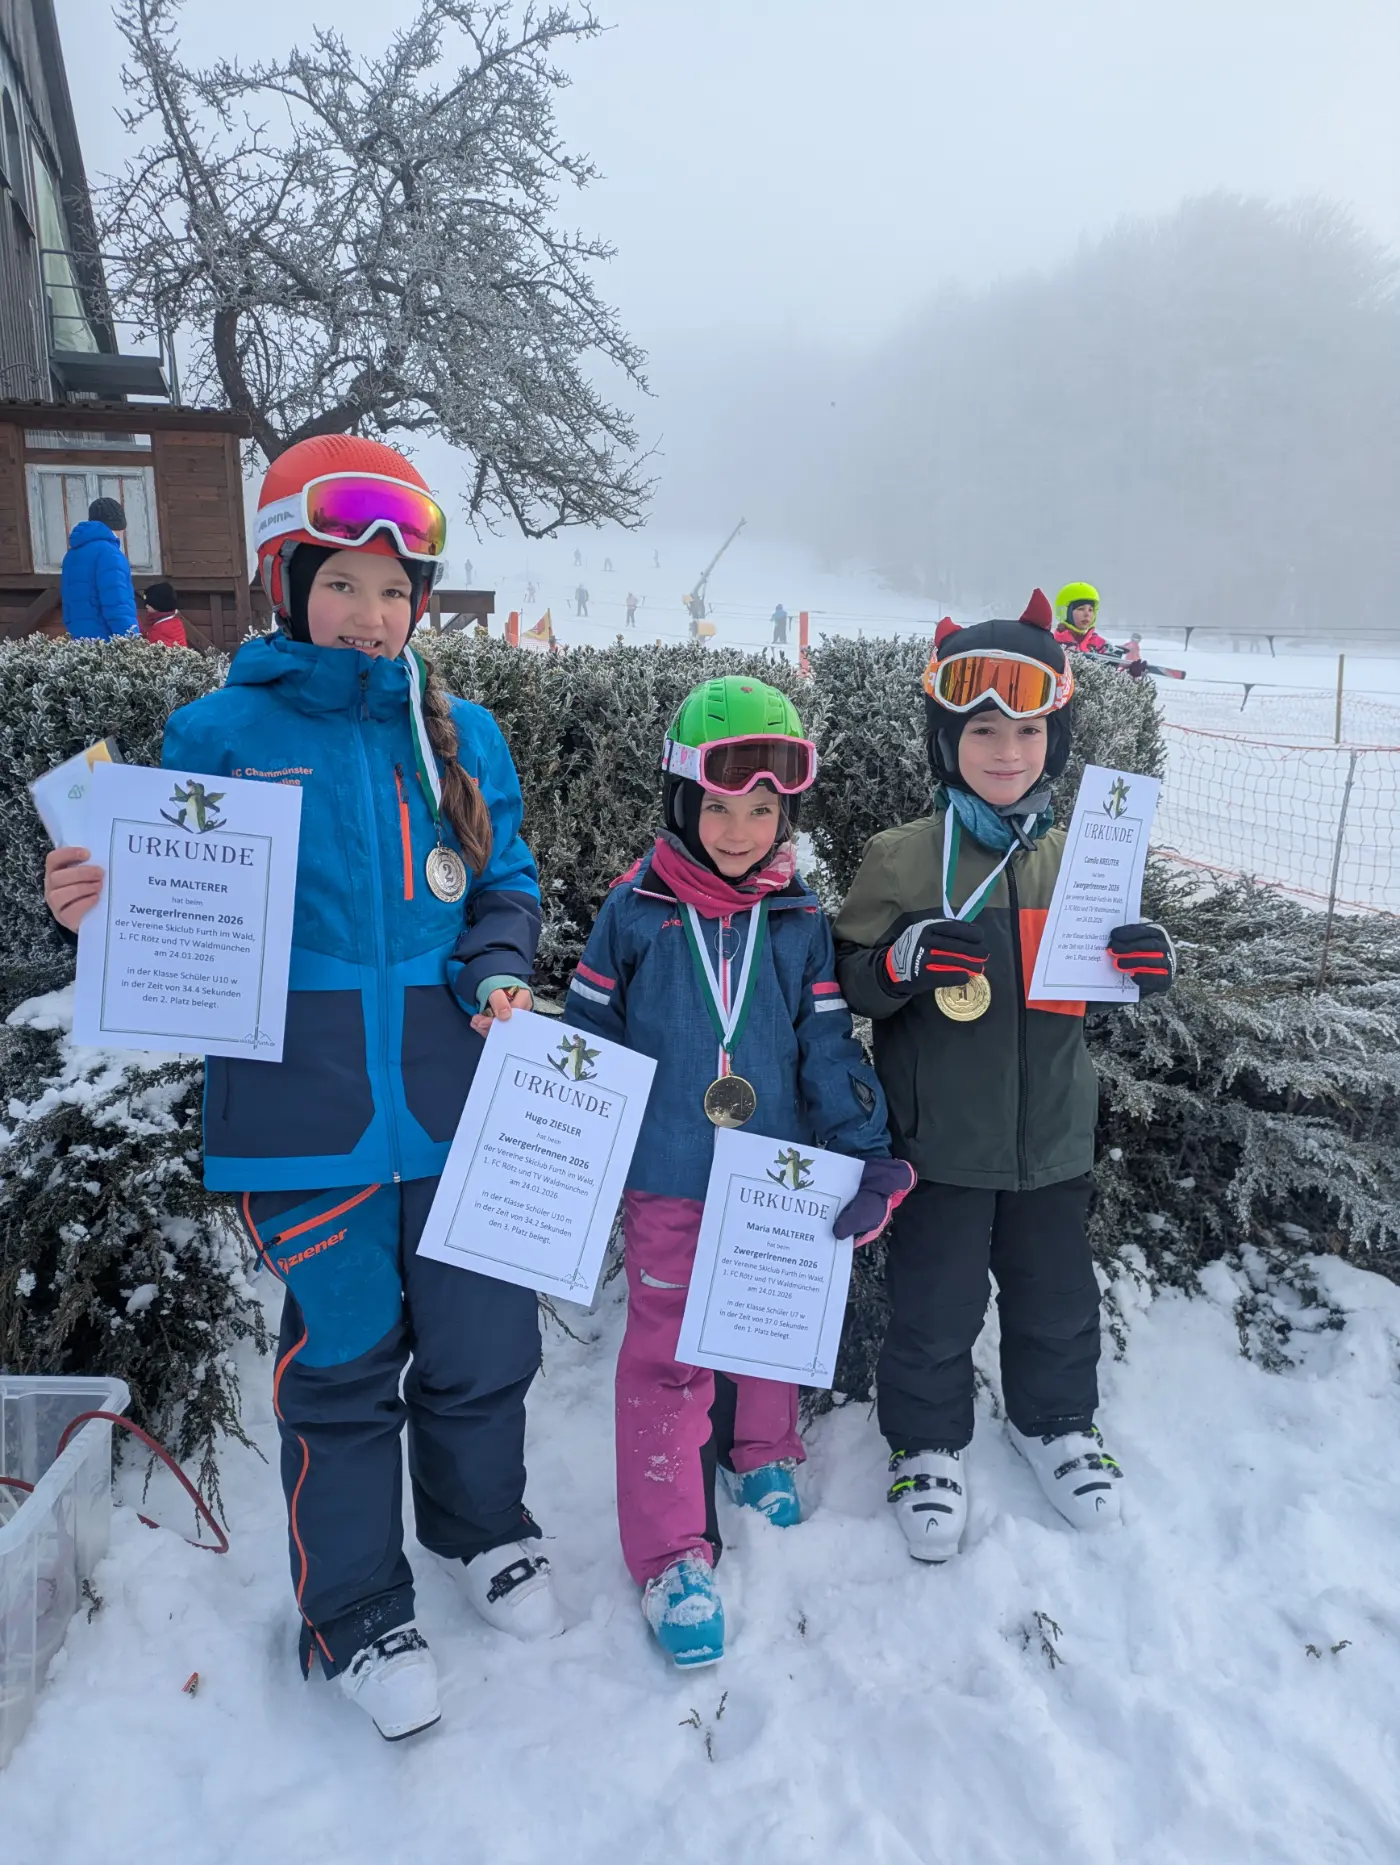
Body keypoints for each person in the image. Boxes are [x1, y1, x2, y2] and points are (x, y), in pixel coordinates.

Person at [43, 434, 560, 1743]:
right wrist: (95, 908)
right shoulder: (219, 733)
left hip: (453, 1111)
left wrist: (499, 966)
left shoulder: (465, 730)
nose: (373, 615)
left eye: (397, 591)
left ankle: (478, 1525)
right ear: (286, 582)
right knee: (341, 1356)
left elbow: (505, 888)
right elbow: (170, 913)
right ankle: (359, 1607)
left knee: (485, 1341)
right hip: (305, 1121)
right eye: (343, 584)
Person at [564, 676, 913, 1667]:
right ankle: (674, 1554)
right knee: (668, 1356)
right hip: (669, 1172)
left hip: (777, 1177)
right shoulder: (633, 912)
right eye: (718, 805)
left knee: (765, 1318)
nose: (739, 826)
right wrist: (562, 1153)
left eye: (762, 808)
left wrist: (865, 1149)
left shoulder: (797, 917)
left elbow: (826, 1044)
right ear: (682, 801)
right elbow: (587, 1041)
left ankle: (762, 1447)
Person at [832, 591, 1176, 1564]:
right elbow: (847, 973)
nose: (1005, 750)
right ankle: (925, 1442)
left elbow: (1094, 985)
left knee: (1056, 1299)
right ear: (949, 742)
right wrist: (898, 961)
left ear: (1051, 738)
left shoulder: (1082, 858)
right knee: (933, 1305)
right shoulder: (901, 856)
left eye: (1026, 730)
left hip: (1051, 1141)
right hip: (939, 1142)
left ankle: (1054, 1421)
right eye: (981, 730)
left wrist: (1143, 963)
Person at [59, 497, 139, 641]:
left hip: (79, 645)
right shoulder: (110, 553)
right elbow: (118, 603)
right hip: (107, 644)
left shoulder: (71, 555)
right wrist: (131, 641)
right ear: (119, 526)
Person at [138, 581, 189, 648]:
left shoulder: (164, 627)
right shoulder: (170, 619)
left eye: (149, 604)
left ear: (158, 604)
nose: (146, 606)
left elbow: (152, 649)